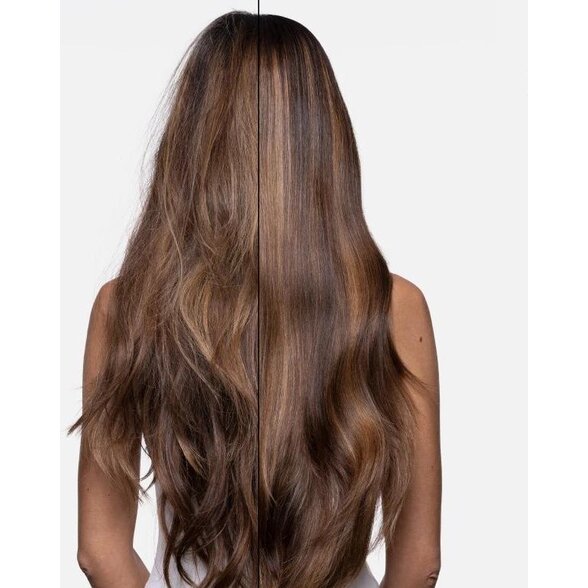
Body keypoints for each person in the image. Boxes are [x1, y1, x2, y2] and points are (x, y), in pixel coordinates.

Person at [68, 11, 441, 588]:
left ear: (193, 138)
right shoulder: (393, 307)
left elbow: (99, 549)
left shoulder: (128, 307)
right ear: (324, 140)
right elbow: (420, 561)